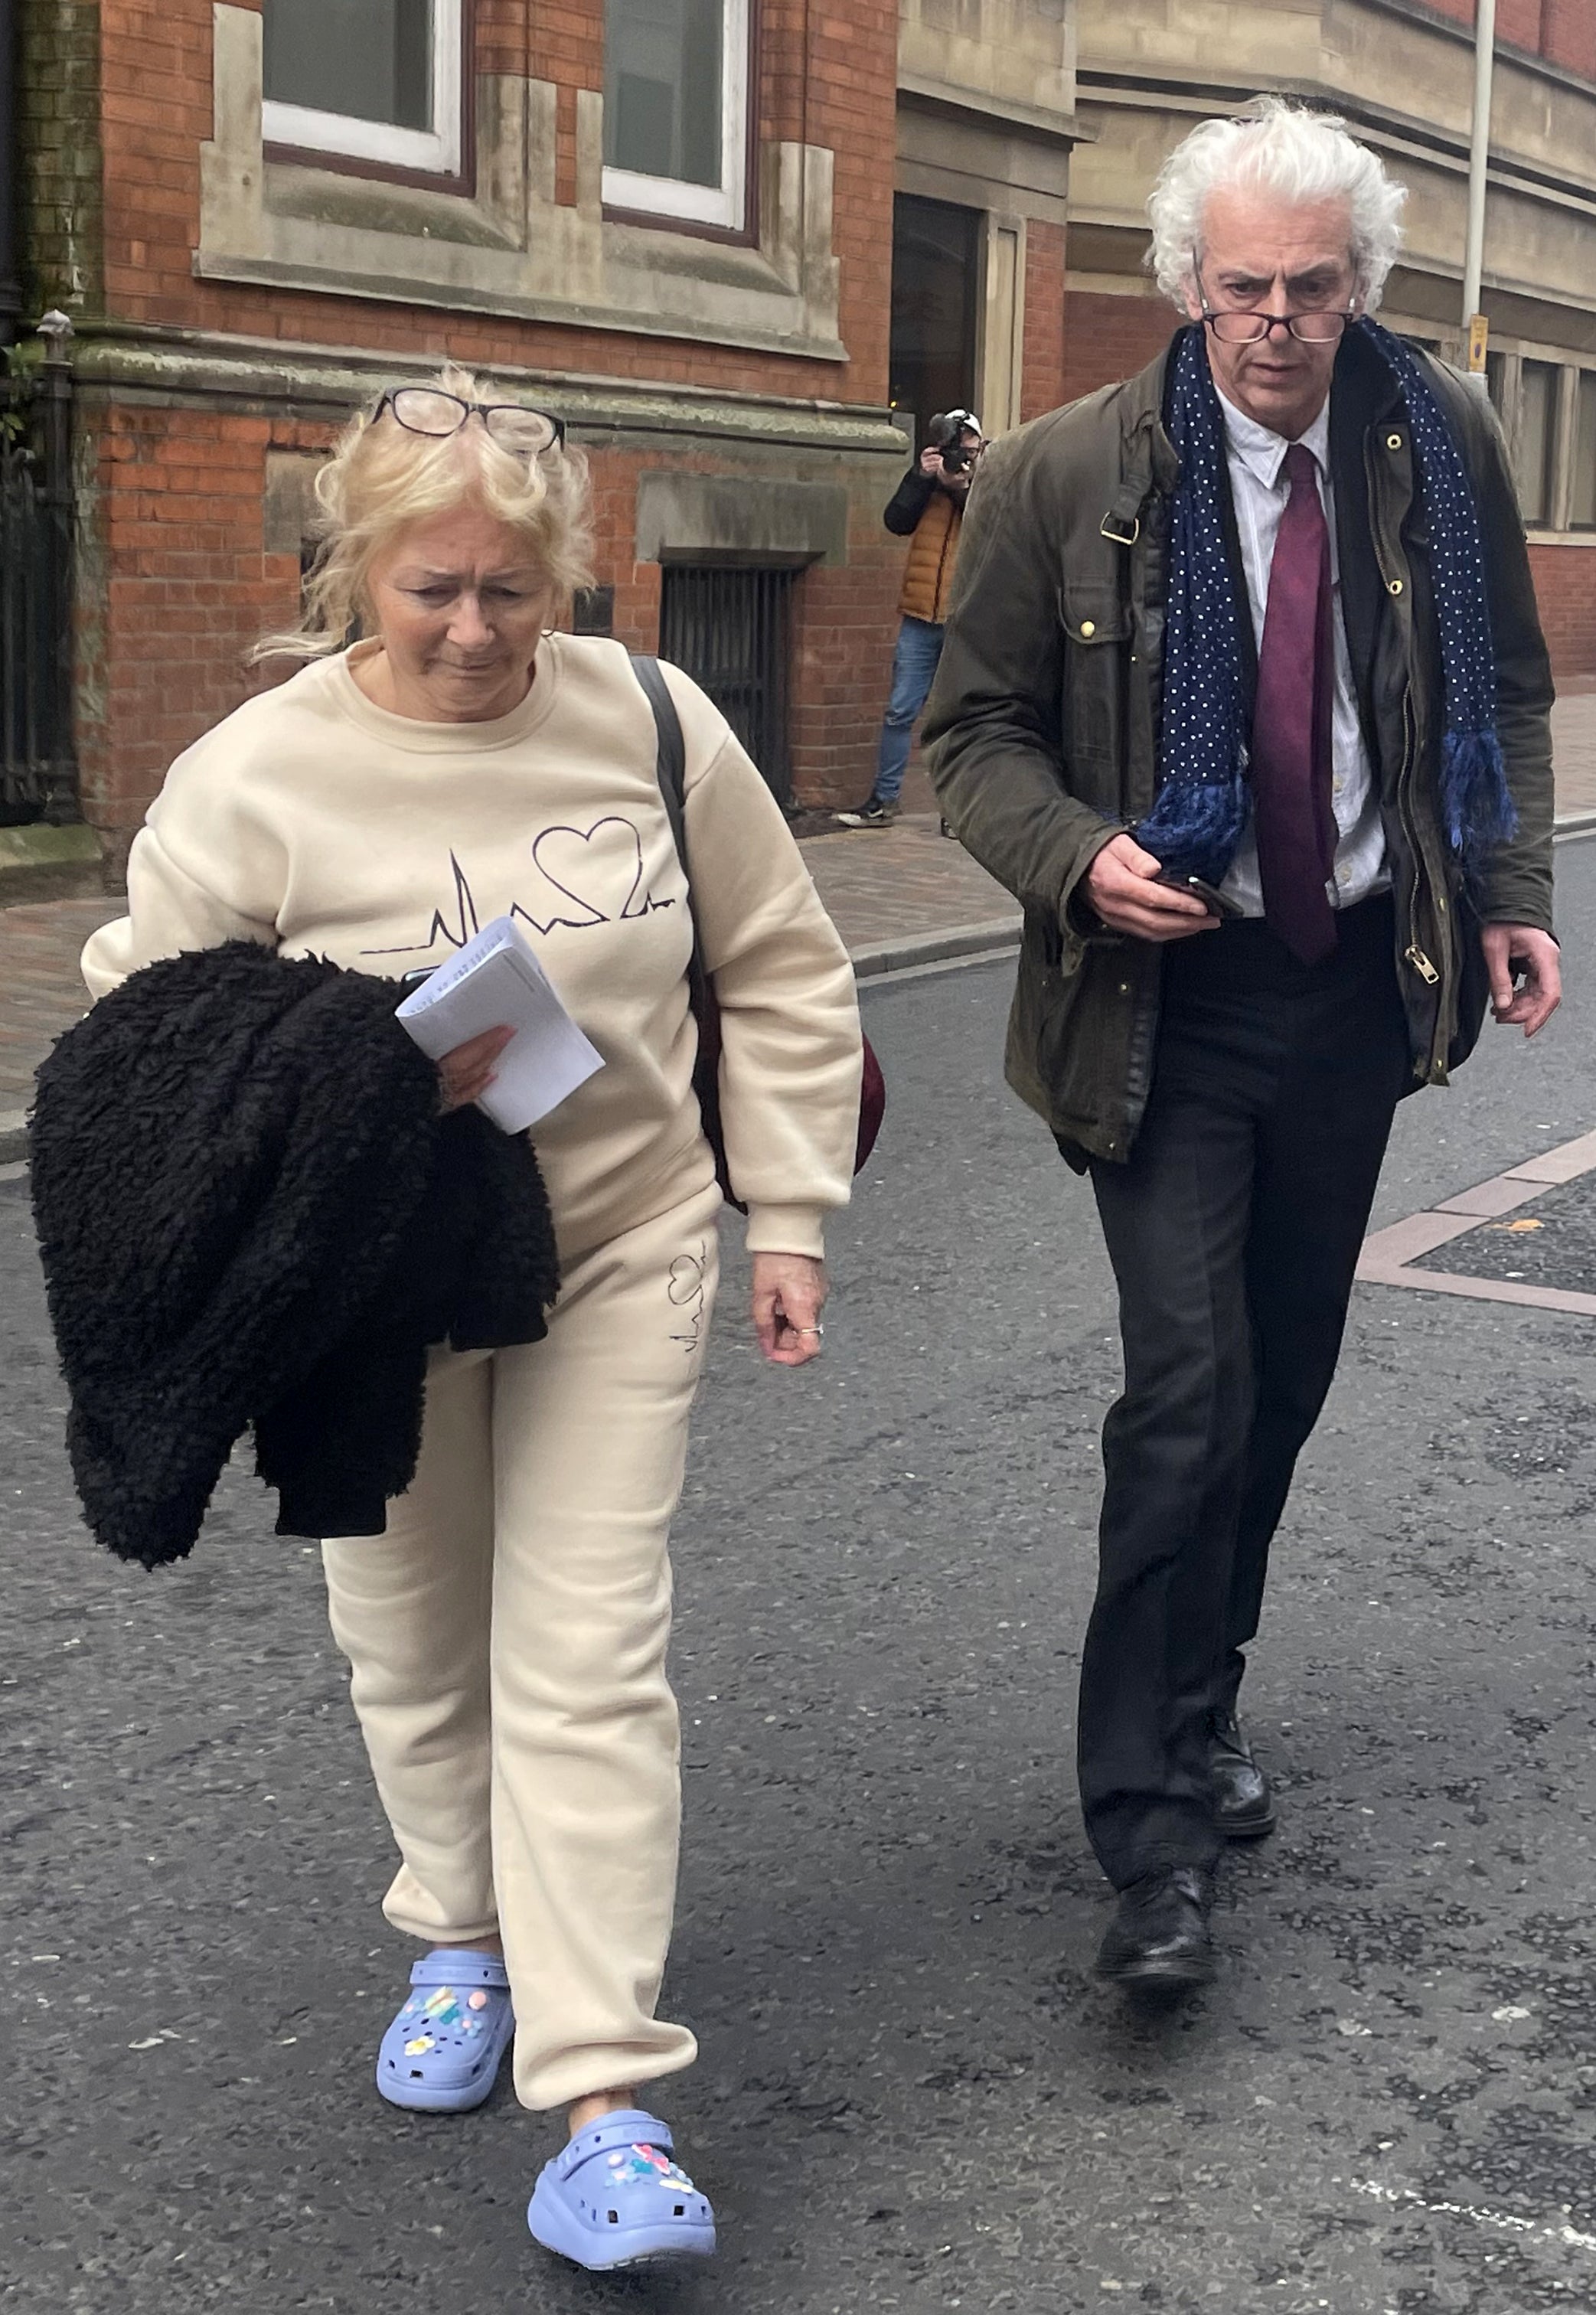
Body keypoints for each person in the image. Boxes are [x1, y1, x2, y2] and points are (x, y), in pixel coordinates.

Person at [80, 366, 863, 2270]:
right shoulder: (254, 773)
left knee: (587, 1649)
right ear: (350, 569)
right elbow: (132, 1054)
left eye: (509, 593)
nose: (470, 631)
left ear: (563, 581)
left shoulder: (656, 723)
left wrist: (787, 1214)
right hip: (376, 1283)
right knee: (413, 1638)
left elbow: (772, 964)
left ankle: (600, 2092)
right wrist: (332, 1071)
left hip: (618, 1240)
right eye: (428, 588)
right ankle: (458, 1932)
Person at [926, 101, 1557, 1994]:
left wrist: (1508, 884)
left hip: (1353, 981)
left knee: (1275, 1382)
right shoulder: (1061, 475)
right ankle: (1148, 1834)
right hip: (1162, 997)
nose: (1273, 324)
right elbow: (964, 741)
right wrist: (1077, 858)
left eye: (1307, 289)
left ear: (1355, 284)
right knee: (1183, 1390)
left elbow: (1503, 691)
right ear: (1183, 284)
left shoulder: (1434, 438)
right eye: (1238, 292)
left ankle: (1197, 1705)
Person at [836, 408, 984, 828]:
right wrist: (923, 478)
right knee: (900, 711)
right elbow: (896, 521)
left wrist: (959, 487)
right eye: (955, 446)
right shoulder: (929, 478)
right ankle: (884, 801)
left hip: (963, 620)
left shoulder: (989, 477)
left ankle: (956, 813)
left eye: (967, 445)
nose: (961, 454)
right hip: (920, 617)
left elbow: (987, 522)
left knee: (957, 717)